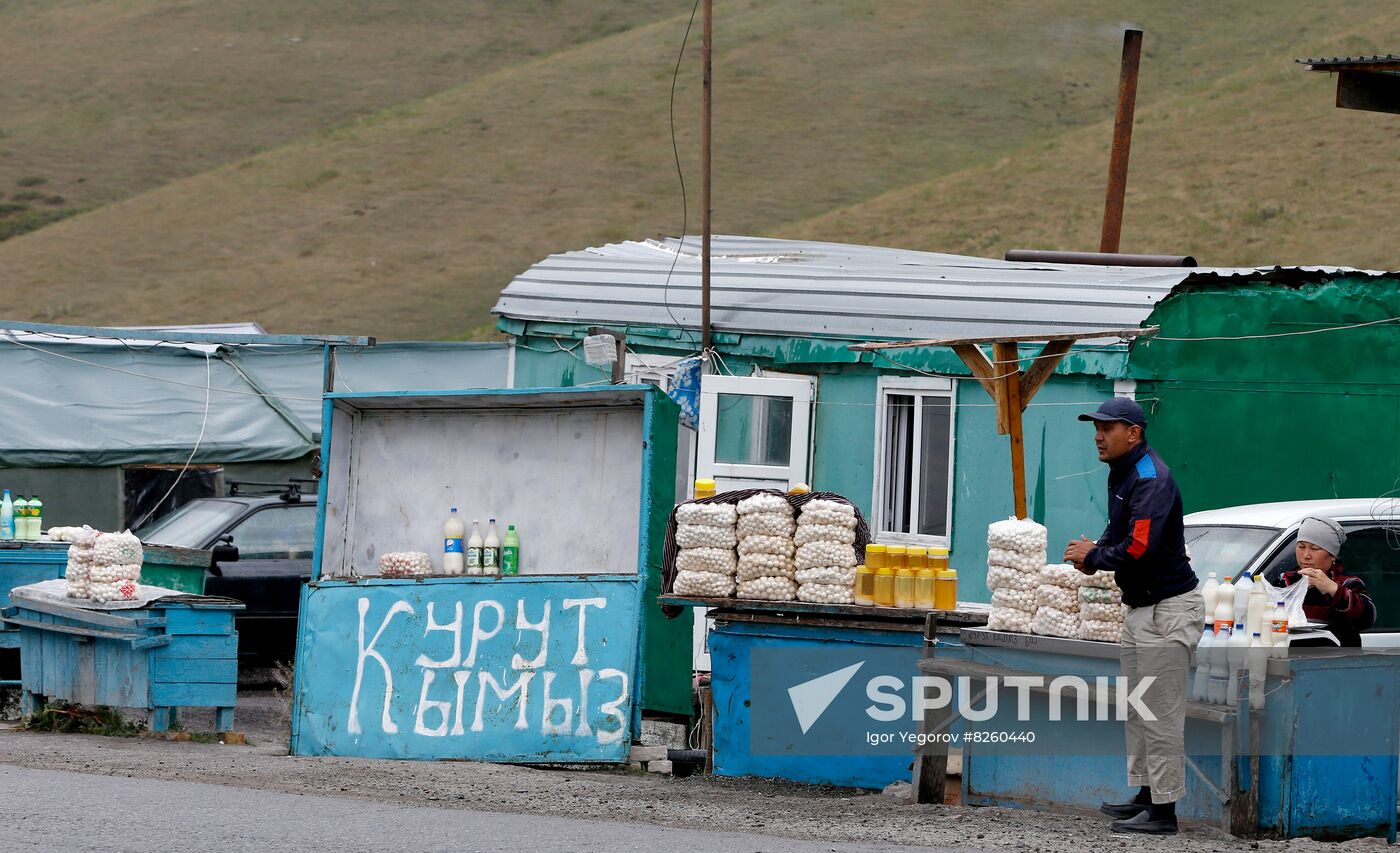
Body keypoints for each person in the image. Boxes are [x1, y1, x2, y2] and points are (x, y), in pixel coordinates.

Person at [1062, 397, 1202, 835]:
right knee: (1139, 709)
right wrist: (1094, 556)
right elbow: (1118, 533)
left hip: (1168, 610)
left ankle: (1165, 814)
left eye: (1107, 428)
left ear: (1134, 433)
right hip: (1142, 608)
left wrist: (1096, 556)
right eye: (1096, 428)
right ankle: (1146, 797)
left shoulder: (1150, 478)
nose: (1098, 436)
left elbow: (1138, 548)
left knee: (1160, 714)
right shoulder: (1123, 472)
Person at [1276, 516, 1376, 647]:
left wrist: (1332, 588)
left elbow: (1367, 619)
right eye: (1301, 546)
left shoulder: (1348, 583)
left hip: (1335, 661)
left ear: (1332, 555)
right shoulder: (1286, 580)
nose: (1306, 555)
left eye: (1315, 548)